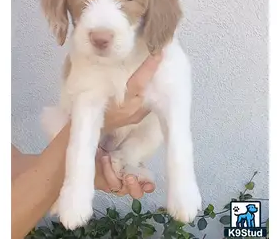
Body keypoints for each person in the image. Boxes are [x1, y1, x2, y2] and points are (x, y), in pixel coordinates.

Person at [11, 53, 163, 239]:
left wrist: (90, 172)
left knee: (155, 130)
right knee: (56, 117)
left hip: (118, 139)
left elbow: (13, 163)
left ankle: (126, 159)